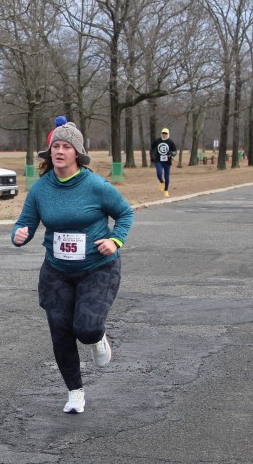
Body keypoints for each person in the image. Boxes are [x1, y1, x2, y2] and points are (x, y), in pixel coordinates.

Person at [11, 122, 134, 414]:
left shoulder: (95, 186)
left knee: (86, 329)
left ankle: (97, 338)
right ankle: (75, 392)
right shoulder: (41, 189)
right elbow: (25, 222)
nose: (60, 151)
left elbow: (125, 214)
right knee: (61, 332)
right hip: (56, 272)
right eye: (56, 146)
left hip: (97, 268)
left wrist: (115, 240)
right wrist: (19, 234)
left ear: (77, 153)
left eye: (66, 147)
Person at [151, 128, 177, 197]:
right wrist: (152, 156)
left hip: (167, 161)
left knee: (166, 177)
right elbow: (152, 148)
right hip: (159, 160)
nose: (164, 134)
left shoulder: (170, 142)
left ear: (168, 134)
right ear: (161, 134)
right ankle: (162, 182)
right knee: (159, 174)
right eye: (163, 133)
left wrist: (171, 153)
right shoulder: (157, 141)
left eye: (166, 133)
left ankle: (166, 190)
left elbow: (175, 152)